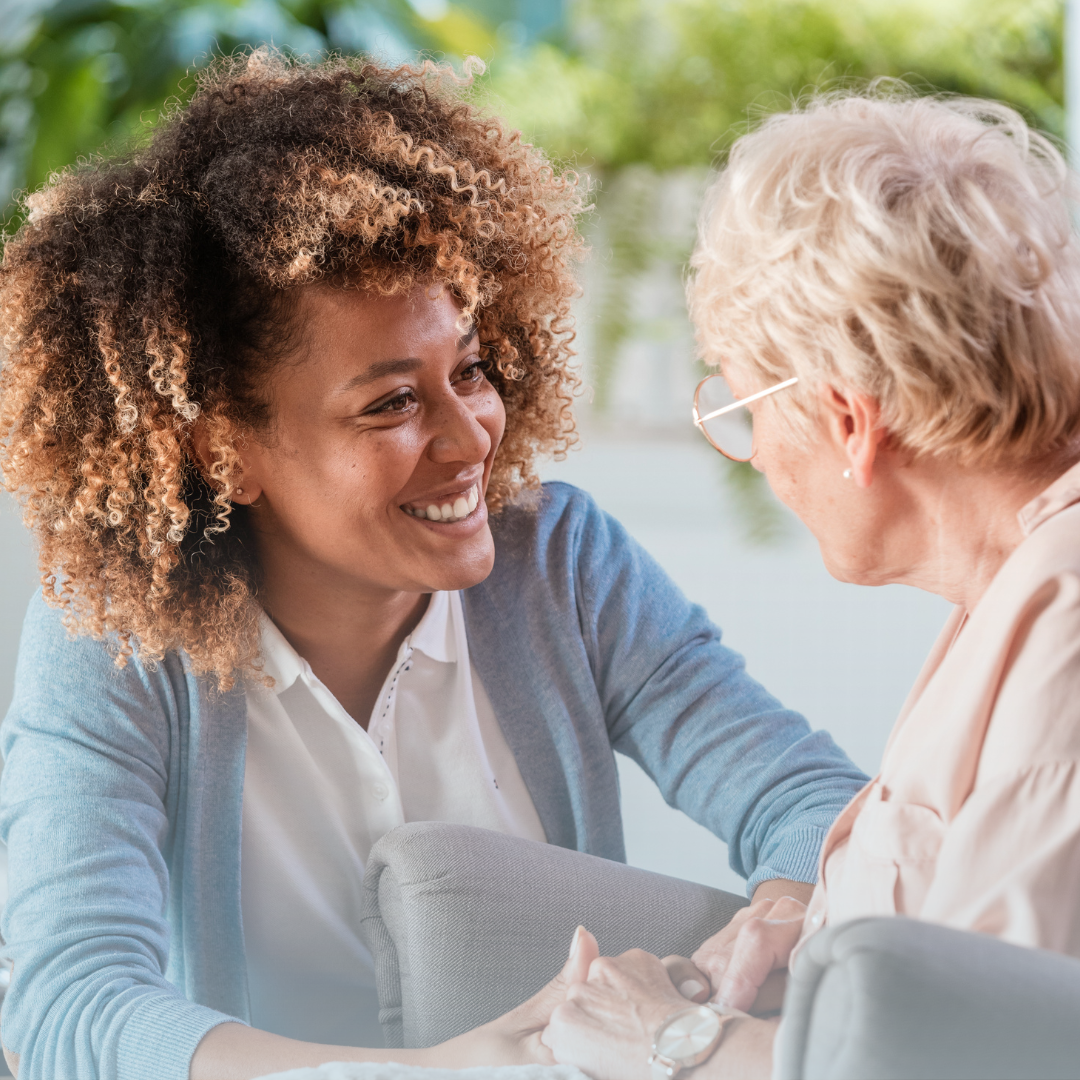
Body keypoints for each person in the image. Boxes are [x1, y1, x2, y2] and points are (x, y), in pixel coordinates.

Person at [0, 52, 865, 1079]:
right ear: (221, 449)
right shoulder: (115, 633)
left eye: (471, 371)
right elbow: (68, 1002)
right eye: (391, 403)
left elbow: (811, 799)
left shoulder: (565, 566)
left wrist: (785, 911)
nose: (471, 439)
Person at [538, 86, 1080, 1079]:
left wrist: (676, 1042)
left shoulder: (1067, 630)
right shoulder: (1010, 586)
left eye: (743, 407)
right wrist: (821, 945)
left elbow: (998, 1057)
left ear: (847, 420)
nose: (753, 455)